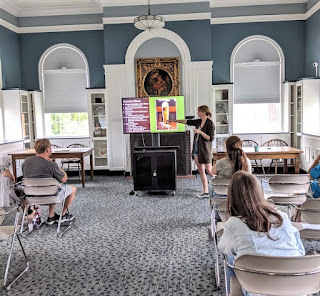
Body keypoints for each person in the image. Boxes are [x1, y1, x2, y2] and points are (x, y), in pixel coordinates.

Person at [218, 171, 305, 295]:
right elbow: (300, 250)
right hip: (297, 287)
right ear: (259, 192)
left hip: (258, 289)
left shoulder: (234, 223)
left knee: (231, 259)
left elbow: (223, 248)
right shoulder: (282, 217)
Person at [22, 139, 76, 225]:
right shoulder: (51, 164)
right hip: (50, 196)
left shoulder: (26, 162)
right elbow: (64, 179)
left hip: (31, 197)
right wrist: (59, 168)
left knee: (51, 186)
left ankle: (51, 216)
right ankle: (62, 215)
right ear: (47, 150)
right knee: (72, 188)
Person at [168, 105, 215, 198]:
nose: (197, 113)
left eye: (199, 111)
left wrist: (200, 132)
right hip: (196, 149)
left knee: (210, 171)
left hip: (205, 150)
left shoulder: (210, 123)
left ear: (203, 112)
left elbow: (210, 138)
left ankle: (220, 188)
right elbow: (186, 121)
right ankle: (206, 191)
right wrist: (173, 121)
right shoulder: (198, 121)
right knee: (201, 170)